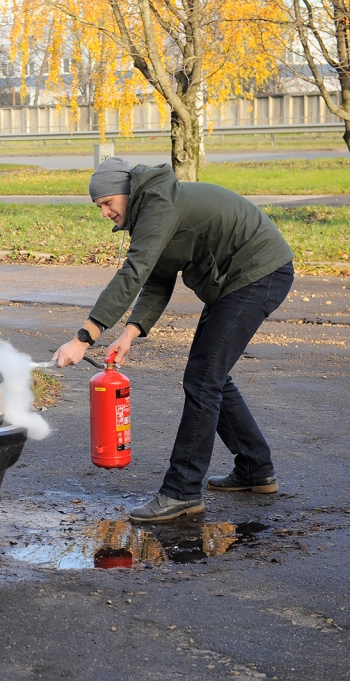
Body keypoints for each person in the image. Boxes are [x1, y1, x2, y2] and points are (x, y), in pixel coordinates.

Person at [53, 157, 294, 521]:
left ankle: (182, 491)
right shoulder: (152, 209)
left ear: (126, 192)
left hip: (258, 272)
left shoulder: (157, 206)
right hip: (237, 280)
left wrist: (85, 337)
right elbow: (157, 278)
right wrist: (130, 333)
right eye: (99, 207)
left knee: (204, 379)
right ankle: (255, 468)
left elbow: (131, 273)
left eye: (106, 203)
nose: (103, 212)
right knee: (209, 375)